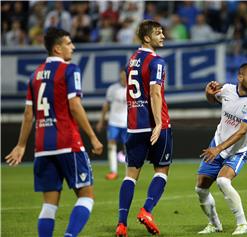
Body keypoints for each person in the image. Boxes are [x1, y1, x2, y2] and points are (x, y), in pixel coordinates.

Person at [4, 27, 103, 237]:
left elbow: (29, 113)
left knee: (49, 205)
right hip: (68, 143)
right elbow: (75, 106)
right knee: (86, 196)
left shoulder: (35, 75)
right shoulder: (70, 70)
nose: (73, 47)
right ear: (57, 48)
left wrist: (21, 145)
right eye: (69, 43)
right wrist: (93, 137)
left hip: (42, 147)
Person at [115, 20, 173, 237]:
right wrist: (158, 123)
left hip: (133, 126)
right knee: (162, 170)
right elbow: (155, 93)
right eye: (159, 33)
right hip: (156, 124)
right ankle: (147, 210)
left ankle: (121, 223)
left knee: (130, 176)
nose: (163, 36)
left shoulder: (132, 60)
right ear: (147, 38)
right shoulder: (156, 61)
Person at [195, 63, 247, 235]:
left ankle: (243, 224)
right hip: (217, 144)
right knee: (200, 188)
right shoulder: (227, 90)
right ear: (240, 77)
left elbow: (242, 132)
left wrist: (218, 149)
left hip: (237, 151)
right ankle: (214, 224)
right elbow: (213, 99)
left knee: (223, 181)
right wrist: (208, 93)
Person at [96, 68, 128, 180]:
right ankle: (113, 171)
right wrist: (101, 120)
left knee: (128, 148)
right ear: (120, 75)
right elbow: (106, 105)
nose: (124, 78)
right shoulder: (112, 89)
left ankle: (129, 172)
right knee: (111, 146)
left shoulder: (133, 89)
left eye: (126, 75)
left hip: (127, 123)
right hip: (114, 122)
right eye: (122, 75)